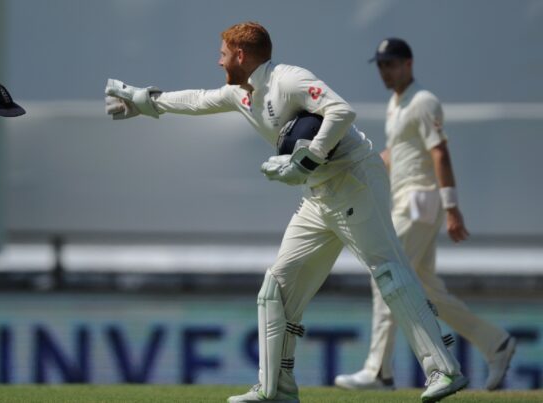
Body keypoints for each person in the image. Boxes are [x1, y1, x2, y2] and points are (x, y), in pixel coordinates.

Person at [104, 23, 467, 403]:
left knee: (389, 272)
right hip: (318, 196)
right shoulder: (240, 94)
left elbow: (342, 112)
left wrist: (308, 159)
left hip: (353, 178)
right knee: (276, 288)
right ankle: (276, 389)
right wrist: (145, 101)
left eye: (223, 53)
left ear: (240, 56)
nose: (218, 60)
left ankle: (444, 370)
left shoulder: (288, 79)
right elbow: (197, 100)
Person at [334, 38, 516, 392]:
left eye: (391, 64)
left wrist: (452, 208)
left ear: (408, 64)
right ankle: (496, 343)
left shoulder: (423, 101)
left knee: (386, 276)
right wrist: (358, 170)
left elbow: (440, 154)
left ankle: (379, 372)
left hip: (418, 203)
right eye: (381, 65)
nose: (385, 72)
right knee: (427, 291)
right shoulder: (397, 104)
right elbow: (398, 153)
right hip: (405, 201)